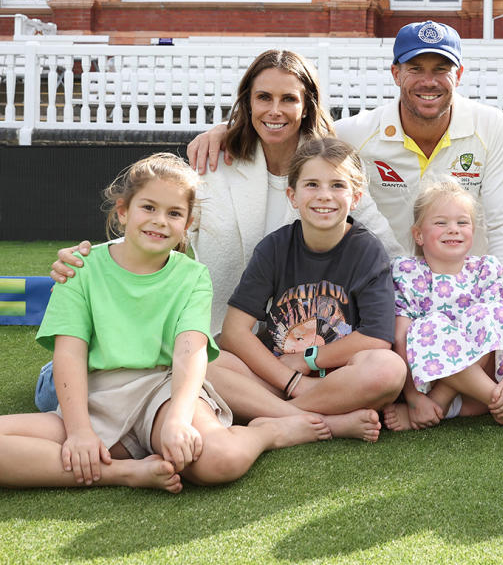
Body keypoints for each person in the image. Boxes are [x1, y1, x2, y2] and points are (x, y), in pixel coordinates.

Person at [1, 154, 330, 492]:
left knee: (220, 459)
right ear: (123, 211)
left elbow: (190, 352)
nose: (160, 221)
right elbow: (68, 355)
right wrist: (80, 431)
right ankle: (124, 472)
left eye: (174, 213)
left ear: (187, 224)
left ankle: (266, 431)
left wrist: (177, 419)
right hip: (98, 397)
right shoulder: (80, 269)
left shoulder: (192, 277)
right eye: (148, 208)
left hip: (162, 392)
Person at [187, 21, 503, 299]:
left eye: (441, 69)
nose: (429, 80)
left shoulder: (489, 125)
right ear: (395, 73)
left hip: (471, 290)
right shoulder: (353, 136)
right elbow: (296, 132)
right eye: (415, 68)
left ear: (459, 74)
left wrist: (499, 302)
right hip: (389, 292)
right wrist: (226, 131)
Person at [50, 49, 337, 337]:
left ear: (307, 105)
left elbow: (374, 243)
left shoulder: (334, 170)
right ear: (248, 103)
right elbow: (166, 225)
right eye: (263, 97)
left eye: (288, 98)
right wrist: (89, 259)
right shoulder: (214, 165)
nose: (275, 110)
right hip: (221, 337)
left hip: (305, 336)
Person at [210, 137, 406, 442]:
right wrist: (292, 382)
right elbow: (234, 331)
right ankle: (321, 422)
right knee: (205, 360)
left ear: (355, 198)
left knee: (388, 370)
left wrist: (308, 360)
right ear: (293, 195)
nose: (324, 196)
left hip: (341, 381)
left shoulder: (366, 250)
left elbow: (377, 338)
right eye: (312, 185)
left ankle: (273, 416)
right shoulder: (275, 248)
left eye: (337, 186)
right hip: (276, 376)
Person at [383, 182, 503, 431]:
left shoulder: (484, 270)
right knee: (432, 325)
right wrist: (413, 398)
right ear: (418, 235)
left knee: (487, 312)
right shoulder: (408, 272)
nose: (453, 230)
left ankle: (440, 405)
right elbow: (400, 335)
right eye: (441, 223)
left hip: (479, 381)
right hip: (430, 380)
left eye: (462, 223)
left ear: (473, 230)